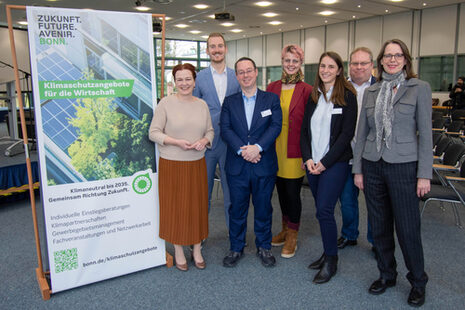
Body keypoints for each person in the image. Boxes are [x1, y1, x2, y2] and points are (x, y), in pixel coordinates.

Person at [353, 39, 432, 307]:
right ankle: (387, 274)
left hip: (404, 167)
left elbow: (425, 135)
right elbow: (362, 134)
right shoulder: (372, 91)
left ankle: (418, 281)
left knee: (408, 228)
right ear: (381, 60)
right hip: (373, 164)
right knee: (380, 226)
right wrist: (358, 169)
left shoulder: (418, 88)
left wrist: (424, 174)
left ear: (406, 59)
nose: (392, 60)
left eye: (397, 55)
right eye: (387, 56)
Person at [149, 63, 214, 271]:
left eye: (188, 79)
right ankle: (178, 250)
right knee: (175, 208)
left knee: (197, 208)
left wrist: (205, 140)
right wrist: (175, 141)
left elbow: (210, 131)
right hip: (172, 164)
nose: (184, 83)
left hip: (196, 164)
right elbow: (154, 132)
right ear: (174, 82)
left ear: (194, 81)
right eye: (180, 79)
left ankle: (196, 249)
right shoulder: (165, 104)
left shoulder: (202, 105)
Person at [300, 51, 357, 284]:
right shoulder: (314, 96)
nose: (325, 70)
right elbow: (304, 131)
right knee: (322, 210)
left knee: (324, 210)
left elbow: (346, 135)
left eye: (331, 66)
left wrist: (324, 162)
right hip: (312, 163)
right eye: (322, 66)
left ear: (339, 70)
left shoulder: (348, 96)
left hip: (335, 163)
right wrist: (308, 158)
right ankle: (327, 251)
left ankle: (332, 260)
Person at [220, 57, 282, 268]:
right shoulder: (229, 102)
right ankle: (236, 247)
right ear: (236, 76)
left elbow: (276, 126)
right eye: (241, 72)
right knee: (237, 209)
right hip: (237, 165)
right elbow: (225, 129)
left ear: (256, 72)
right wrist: (243, 150)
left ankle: (264, 246)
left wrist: (258, 148)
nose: (245, 75)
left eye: (249, 71)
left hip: (263, 164)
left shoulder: (271, 99)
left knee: (263, 208)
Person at [266, 44, 312, 258]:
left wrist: (308, 154)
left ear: (300, 63)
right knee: (281, 192)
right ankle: (284, 229)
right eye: (287, 60)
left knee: (293, 193)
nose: (291, 64)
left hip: (295, 150)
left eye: (295, 61)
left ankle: (293, 234)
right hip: (274, 149)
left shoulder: (307, 90)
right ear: (282, 62)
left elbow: (311, 125)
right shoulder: (271, 87)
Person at [193, 33, 241, 229]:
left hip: (231, 142)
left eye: (220, 46)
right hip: (207, 143)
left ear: (226, 49)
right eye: (212, 46)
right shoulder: (199, 78)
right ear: (207, 51)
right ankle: (200, 235)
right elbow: (193, 108)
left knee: (232, 193)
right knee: (204, 192)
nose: (217, 50)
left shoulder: (236, 76)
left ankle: (234, 235)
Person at [337, 47, 376, 251]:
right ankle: (349, 234)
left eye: (363, 63)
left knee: (374, 202)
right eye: (355, 63)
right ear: (348, 66)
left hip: (372, 156)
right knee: (347, 199)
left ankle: (375, 240)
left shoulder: (382, 88)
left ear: (372, 65)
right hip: (346, 153)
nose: (359, 67)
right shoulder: (340, 88)